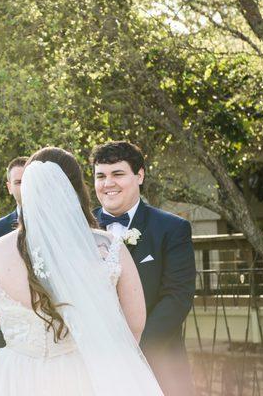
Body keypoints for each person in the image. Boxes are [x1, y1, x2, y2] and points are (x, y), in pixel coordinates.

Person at [0, 147, 163, 395]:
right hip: (84, 375)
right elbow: (134, 325)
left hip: (14, 377)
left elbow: (0, 317)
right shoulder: (107, 246)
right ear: (76, 190)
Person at [91, 141, 196, 396]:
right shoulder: (79, 228)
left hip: (157, 365)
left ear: (139, 175)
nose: (108, 183)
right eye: (101, 176)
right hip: (93, 367)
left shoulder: (172, 229)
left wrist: (133, 351)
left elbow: (177, 298)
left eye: (118, 174)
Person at [0, 156, 27, 351]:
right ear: (9, 187)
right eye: (18, 182)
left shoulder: (57, 224)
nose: (23, 186)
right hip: (10, 330)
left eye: (28, 180)